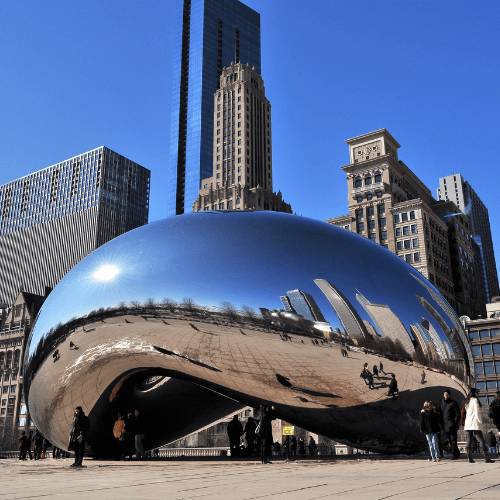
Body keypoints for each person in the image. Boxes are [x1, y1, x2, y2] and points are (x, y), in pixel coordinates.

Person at [463, 388, 493, 463]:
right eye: (477, 393)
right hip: (475, 422)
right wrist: (480, 421)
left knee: (469, 440)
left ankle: (469, 458)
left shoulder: (467, 401)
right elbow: (477, 412)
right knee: (481, 440)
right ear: (475, 393)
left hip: (468, 423)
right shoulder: (475, 400)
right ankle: (486, 457)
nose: (478, 394)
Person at [440, 389, 461, 460]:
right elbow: (441, 414)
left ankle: (454, 455)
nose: (446, 395)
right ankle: (457, 453)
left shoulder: (453, 403)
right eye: (444, 394)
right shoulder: (442, 403)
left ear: (449, 395)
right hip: (445, 425)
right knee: (450, 440)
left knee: (453, 440)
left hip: (452, 425)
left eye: (447, 394)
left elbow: (458, 414)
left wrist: (455, 423)